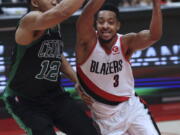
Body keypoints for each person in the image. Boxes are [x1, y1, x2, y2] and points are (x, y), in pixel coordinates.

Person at [2, 0, 101, 135]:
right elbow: (63, 11)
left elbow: (57, 55)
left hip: (55, 96)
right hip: (26, 100)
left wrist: (77, 80)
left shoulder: (54, 25)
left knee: (89, 132)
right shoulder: (30, 20)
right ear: (36, 2)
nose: (55, 1)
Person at [75, 0, 162, 134]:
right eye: (101, 21)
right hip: (105, 119)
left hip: (132, 108)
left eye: (110, 22)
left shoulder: (126, 42)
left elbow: (154, 35)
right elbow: (84, 17)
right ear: (95, 24)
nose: (105, 26)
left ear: (118, 25)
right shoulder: (87, 43)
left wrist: (156, 4)